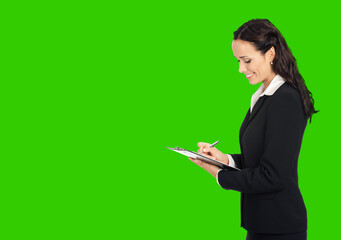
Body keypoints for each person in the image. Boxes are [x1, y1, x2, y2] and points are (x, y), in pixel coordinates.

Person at [188, 19, 318, 240]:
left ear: (270, 54)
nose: (240, 69)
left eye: (247, 60)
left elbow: (272, 176)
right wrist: (224, 159)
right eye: (238, 61)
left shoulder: (285, 100)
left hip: (280, 228)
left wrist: (217, 174)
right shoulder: (263, 97)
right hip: (261, 224)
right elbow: (260, 159)